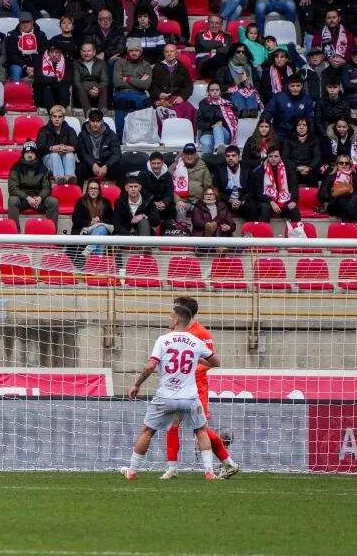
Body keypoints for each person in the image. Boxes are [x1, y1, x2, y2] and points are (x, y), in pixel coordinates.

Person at [122, 303, 222, 481]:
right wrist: (196, 359)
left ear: (176, 320)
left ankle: (132, 471)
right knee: (201, 430)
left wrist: (136, 385)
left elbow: (150, 366)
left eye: (171, 316)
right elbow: (216, 362)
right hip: (190, 397)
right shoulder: (196, 342)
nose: (169, 319)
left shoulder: (163, 340)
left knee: (147, 431)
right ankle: (209, 472)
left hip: (165, 396)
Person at [161, 297, 239, 480]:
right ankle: (172, 468)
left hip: (196, 388)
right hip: (176, 388)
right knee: (172, 424)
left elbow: (211, 362)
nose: (172, 313)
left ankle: (228, 462)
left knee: (200, 428)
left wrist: (186, 372)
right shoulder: (175, 332)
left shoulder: (201, 333)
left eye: (175, 309)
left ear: (184, 312)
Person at [7, 140, 58, 231]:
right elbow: (12, 188)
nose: (30, 155)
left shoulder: (42, 167)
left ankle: (51, 231)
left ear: (35, 154)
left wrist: (40, 197)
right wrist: (27, 197)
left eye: (32, 152)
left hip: (38, 200)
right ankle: (14, 232)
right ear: (23, 154)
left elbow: (47, 187)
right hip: (23, 199)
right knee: (12, 200)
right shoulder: (16, 167)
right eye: (27, 152)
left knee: (53, 202)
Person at [150, 44, 196, 130]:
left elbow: (188, 86)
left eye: (171, 51)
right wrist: (159, 94)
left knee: (189, 109)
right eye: (167, 52)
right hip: (161, 100)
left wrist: (182, 97)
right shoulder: (157, 67)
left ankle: (186, 133)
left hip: (177, 99)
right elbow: (152, 85)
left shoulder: (182, 68)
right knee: (161, 111)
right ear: (164, 53)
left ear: (176, 53)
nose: (169, 54)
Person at [112, 39, 151, 138]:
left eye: (136, 50)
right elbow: (117, 83)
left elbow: (146, 85)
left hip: (139, 94)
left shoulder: (146, 65)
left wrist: (128, 79)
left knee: (141, 102)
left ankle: (139, 137)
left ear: (140, 52)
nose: (134, 53)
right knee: (122, 102)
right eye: (131, 51)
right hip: (122, 93)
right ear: (128, 51)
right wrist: (139, 82)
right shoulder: (120, 63)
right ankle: (120, 137)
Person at [69, 178, 114, 264]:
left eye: (95, 189)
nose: (93, 191)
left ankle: (86, 254)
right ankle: (96, 263)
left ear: (99, 191)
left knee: (101, 228)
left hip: (102, 229)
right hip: (85, 230)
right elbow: (76, 220)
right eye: (91, 188)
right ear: (87, 190)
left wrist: (100, 221)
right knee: (101, 232)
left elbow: (112, 219)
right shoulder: (81, 202)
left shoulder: (106, 202)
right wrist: (90, 223)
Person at [249, 147, 300, 222]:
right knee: (265, 208)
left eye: (276, 156)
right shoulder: (261, 171)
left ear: (280, 157)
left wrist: (293, 200)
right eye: (270, 156)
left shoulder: (288, 170)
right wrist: (271, 201)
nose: (273, 159)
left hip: (284, 200)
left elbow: (294, 187)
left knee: (294, 209)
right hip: (267, 201)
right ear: (267, 157)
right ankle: (265, 229)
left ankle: (296, 229)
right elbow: (258, 193)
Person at [171, 143, 213, 227]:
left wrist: (204, 201)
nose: (189, 156)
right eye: (187, 154)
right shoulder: (175, 167)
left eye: (192, 154)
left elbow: (208, 187)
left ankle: (201, 232)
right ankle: (182, 230)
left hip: (199, 201)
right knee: (180, 209)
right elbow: (171, 186)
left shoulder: (203, 167)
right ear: (183, 155)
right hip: (182, 200)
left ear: (196, 155)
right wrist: (178, 200)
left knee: (201, 214)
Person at [213, 145, 259, 221]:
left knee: (252, 206)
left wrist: (240, 200)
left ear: (239, 157)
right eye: (228, 156)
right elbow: (216, 190)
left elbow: (252, 190)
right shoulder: (219, 169)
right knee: (218, 206)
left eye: (233, 156)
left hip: (242, 199)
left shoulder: (247, 169)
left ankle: (252, 228)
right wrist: (230, 200)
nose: (230, 158)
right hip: (226, 200)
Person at [263, 74, 314, 142]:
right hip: (280, 134)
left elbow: (310, 119)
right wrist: (264, 131)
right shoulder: (279, 97)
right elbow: (267, 114)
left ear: (302, 86)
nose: (295, 88)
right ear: (288, 86)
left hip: (298, 136)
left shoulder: (307, 100)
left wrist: (309, 135)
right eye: (292, 86)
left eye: (298, 86)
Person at [216, 43, 261, 118]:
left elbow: (257, 82)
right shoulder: (224, 69)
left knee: (251, 94)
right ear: (232, 53)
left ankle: (252, 111)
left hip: (249, 93)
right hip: (231, 94)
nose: (241, 54)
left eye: (243, 52)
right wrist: (238, 83)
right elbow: (219, 86)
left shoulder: (250, 68)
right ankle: (242, 112)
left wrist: (251, 88)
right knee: (238, 94)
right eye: (238, 52)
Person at [76, 108, 120, 181]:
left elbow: (117, 153)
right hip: (89, 165)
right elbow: (81, 152)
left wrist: (106, 166)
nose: (95, 124)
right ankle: (79, 188)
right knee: (79, 169)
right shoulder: (83, 135)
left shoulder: (111, 134)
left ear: (102, 121)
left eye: (98, 121)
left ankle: (116, 188)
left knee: (118, 168)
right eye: (93, 121)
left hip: (106, 164)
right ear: (89, 121)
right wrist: (93, 164)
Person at [36, 105, 77, 184]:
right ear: (51, 117)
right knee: (54, 154)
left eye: (59, 117)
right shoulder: (44, 130)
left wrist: (69, 148)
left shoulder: (70, 130)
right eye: (54, 116)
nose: (57, 119)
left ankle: (70, 177)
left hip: (65, 158)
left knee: (70, 154)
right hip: (49, 159)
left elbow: (77, 145)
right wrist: (51, 148)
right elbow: (39, 148)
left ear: (63, 118)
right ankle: (59, 178)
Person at [319, 154, 357, 223]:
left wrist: (356, 194)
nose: (344, 165)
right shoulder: (330, 177)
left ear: (350, 165)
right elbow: (322, 194)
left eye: (347, 163)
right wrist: (335, 194)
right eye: (341, 163)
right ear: (337, 165)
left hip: (353, 202)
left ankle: (347, 222)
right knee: (343, 199)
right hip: (335, 204)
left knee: (355, 196)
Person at [196, 81, 238, 156]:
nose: (215, 92)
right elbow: (198, 124)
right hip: (208, 133)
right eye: (212, 90)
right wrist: (211, 125)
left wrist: (222, 123)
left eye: (217, 90)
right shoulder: (203, 104)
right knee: (206, 143)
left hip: (224, 134)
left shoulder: (228, 104)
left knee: (217, 126)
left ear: (220, 91)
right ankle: (209, 161)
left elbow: (234, 121)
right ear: (208, 92)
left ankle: (219, 149)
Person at [5, 11, 46, 82]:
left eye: (28, 22)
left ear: (32, 22)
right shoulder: (12, 35)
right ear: (19, 23)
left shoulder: (40, 35)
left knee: (44, 68)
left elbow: (43, 53)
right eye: (23, 22)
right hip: (19, 65)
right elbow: (12, 56)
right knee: (16, 70)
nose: (25, 25)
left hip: (36, 65)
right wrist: (25, 67)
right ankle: (16, 88)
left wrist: (35, 67)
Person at [72, 41, 108, 117]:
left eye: (89, 51)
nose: (86, 53)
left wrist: (97, 88)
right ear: (81, 52)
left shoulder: (101, 63)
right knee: (81, 89)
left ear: (94, 52)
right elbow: (76, 82)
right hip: (82, 94)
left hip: (97, 91)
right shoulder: (76, 63)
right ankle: (88, 115)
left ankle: (102, 114)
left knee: (104, 89)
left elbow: (105, 81)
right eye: (84, 51)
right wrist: (89, 90)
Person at [139, 151, 173, 228]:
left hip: (163, 203)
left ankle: (169, 229)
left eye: (158, 163)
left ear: (162, 163)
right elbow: (141, 192)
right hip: (148, 203)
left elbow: (170, 191)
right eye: (153, 163)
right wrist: (153, 203)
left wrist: (164, 202)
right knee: (152, 214)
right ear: (150, 163)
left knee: (172, 209)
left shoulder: (168, 175)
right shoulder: (143, 174)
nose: (156, 166)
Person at [34, 43, 71, 109]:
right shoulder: (40, 61)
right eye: (51, 52)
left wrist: (49, 81)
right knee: (46, 88)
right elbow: (38, 79)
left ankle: (61, 111)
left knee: (64, 89)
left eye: (57, 52)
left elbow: (67, 80)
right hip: (43, 92)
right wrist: (55, 79)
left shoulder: (67, 63)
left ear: (61, 53)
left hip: (59, 93)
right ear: (48, 53)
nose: (54, 55)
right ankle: (52, 113)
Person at [195, 14, 231, 80]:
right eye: (212, 22)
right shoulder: (200, 35)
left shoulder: (227, 36)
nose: (214, 25)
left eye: (217, 23)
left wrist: (213, 48)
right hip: (204, 65)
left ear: (221, 25)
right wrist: (221, 44)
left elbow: (229, 50)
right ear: (208, 24)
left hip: (220, 65)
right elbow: (204, 45)